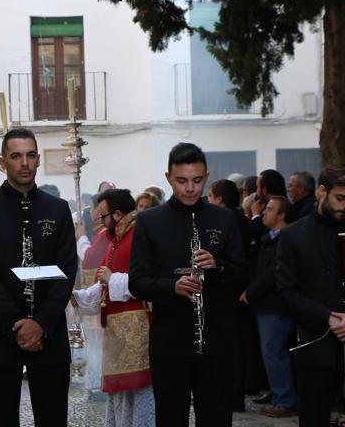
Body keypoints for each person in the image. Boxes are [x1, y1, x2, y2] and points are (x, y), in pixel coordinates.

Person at [129, 142, 247, 427]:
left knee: (217, 418)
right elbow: (137, 281)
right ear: (168, 177)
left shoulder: (225, 217)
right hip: (170, 342)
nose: (190, 188)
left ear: (206, 176)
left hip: (217, 341)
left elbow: (242, 273)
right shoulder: (148, 221)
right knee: (171, 419)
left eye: (196, 180)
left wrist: (216, 266)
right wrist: (172, 287)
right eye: (181, 181)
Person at [0, 128, 77, 427]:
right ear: (3, 162)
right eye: (16, 156)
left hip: (49, 333)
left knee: (53, 419)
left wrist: (41, 323)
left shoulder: (58, 209)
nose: (24, 163)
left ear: (38, 159)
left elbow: (67, 271)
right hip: (1, 334)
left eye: (30, 155)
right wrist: (17, 325)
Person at [275, 166, 345, 427]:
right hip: (314, 344)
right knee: (313, 418)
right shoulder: (293, 235)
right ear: (322, 191)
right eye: (340, 198)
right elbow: (287, 292)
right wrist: (328, 319)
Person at [74, 188, 154, 427]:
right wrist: (77, 297)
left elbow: (150, 282)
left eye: (103, 216)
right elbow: (104, 285)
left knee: (140, 394)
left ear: (117, 214)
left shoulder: (140, 235)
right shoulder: (116, 238)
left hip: (139, 332)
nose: (101, 221)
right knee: (120, 396)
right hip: (117, 336)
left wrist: (113, 278)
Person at [241, 195, 297, 418]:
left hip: (276, 305)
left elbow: (273, 273)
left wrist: (250, 292)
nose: (265, 212)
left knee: (274, 353)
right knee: (271, 352)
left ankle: (286, 399)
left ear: (282, 215)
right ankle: (279, 394)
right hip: (266, 305)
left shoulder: (286, 239)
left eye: (271, 209)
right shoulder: (268, 238)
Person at [207, 178, 257, 413]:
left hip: (233, 291)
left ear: (220, 198)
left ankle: (233, 395)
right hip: (236, 291)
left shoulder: (229, 222)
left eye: (210, 196)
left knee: (234, 347)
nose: (208, 200)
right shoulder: (242, 221)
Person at [76, 191, 110, 398]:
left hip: (100, 300)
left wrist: (80, 238)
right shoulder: (101, 233)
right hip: (95, 300)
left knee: (98, 344)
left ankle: (98, 383)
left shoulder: (104, 234)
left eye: (94, 208)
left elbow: (90, 259)